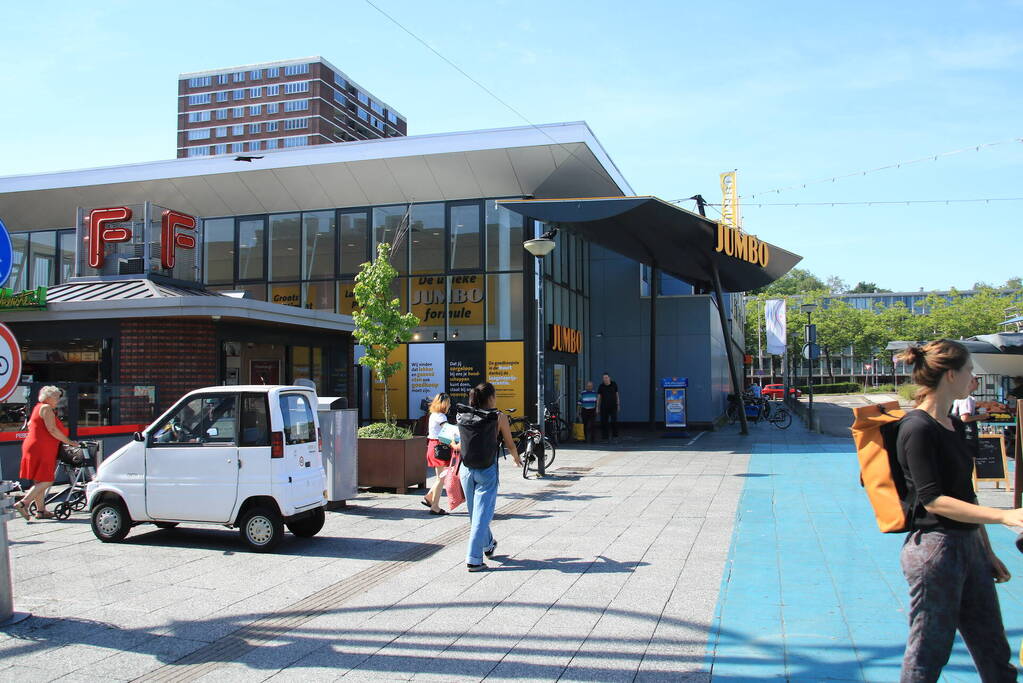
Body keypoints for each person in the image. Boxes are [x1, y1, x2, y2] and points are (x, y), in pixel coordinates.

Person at [894, 340, 1022, 681]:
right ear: (951, 375)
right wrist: (1004, 515)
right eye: (969, 371)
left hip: (968, 546)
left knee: (993, 648)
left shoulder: (955, 424)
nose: (973, 379)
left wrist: (986, 552)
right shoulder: (917, 428)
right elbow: (933, 499)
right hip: (935, 549)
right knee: (928, 652)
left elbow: (966, 494)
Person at [456, 382, 521, 572]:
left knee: (475, 515)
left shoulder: (464, 414)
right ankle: (473, 558)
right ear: (491, 398)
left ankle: (488, 544)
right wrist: (516, 458)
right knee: (482, 515)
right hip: (487, 469)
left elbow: (460, 442)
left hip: (466, 469)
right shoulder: (499, 417)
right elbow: (509, 443)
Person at [15, 386, 79, 521]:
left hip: (34, 446)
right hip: (42, 447)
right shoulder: (46, 408)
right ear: (48, 397)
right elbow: (52, 430)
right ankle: (23, 503)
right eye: (56, 397)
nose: (58, 400)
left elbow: (31, 425)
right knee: (47, 479)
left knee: (39, 480)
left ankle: (41, 511)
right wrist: (69, 442)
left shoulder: (38, 407)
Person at [422, 393, 452, 515]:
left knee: (440, 477)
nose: (449, 405)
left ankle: (429, 497)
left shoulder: (433, 415)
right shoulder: (441, 416)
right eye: (448, 403)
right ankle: (435, 506)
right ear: (444, 404)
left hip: (433, 446)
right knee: (441, 478)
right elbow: (448, 430)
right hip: (440, 448)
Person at [950, 375, 986, 458]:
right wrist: (982, 416)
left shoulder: (962, 396)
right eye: (976, 381)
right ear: (970, 382)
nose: (978, 383)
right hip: (966, 434)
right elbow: (965, 418)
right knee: (968, 458)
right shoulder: (966, 398)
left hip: (961, 434)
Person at [595, 373, 620, 442]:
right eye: (603, 378)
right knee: (604, 422)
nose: (605, 379)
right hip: (604, 407)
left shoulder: (614, 384)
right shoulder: (601, 386)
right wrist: (597, 407)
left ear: (609, 378)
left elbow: (617, 395)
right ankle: (605, 436)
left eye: (606, 377)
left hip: (613, 406)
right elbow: (599, 397)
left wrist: (618, 404)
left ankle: (615, 435)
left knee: (614, 421)